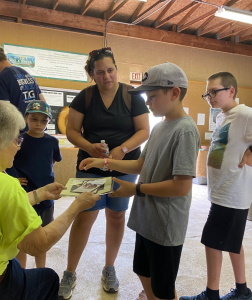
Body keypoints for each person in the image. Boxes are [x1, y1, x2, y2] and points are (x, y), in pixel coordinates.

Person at [0, 99, 100, 300]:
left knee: (14, 262)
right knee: (48, 278)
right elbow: (39, 244)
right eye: (15, 141)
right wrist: (76, 205)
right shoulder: (5, 186)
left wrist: (38, 194)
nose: (18, 147)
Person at [79, 62, 200, 300]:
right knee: (143, 271)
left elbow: (182, 186)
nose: (147, 103)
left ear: (174, 93)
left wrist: (135, 189)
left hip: (165, 226)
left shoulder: (185, 130)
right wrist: (103, 163)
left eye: (152, 96)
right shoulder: (160, 127)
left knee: (164, 287)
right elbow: (140, 165)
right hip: (147, 219)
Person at [58, 47, 150, 299]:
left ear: (116, 69)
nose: (107, 76)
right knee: (84, 216)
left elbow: (144, 131)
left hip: (124, 166)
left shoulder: (133, 96)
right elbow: (72, 131)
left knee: (116, 216)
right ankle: (70, 272)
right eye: (100, 72)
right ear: (92, 74)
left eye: (111, 70)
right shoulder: (85, 97)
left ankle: (109, 268)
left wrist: (123, 148)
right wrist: (90, 148)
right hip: (91, 165)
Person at [180, 72, 252, 300]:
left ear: (231, 91)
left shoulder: (244, 113)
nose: (209, 96)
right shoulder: (223, 115)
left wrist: (251, 152)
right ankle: (243, 291)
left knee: (211, 242)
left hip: (232, 193)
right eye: (207, 93)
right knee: (233, 243)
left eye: (214, 92)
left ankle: (211, 295)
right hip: (222, 192)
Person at [13, 100, 62, 269]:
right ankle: (22, 274)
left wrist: (43, 175)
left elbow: (53, 160)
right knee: (23, 237)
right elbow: (9, 161)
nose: (39, 124)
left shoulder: (52, 142)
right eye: (34, 119)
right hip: (25, 195)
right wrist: (14, 178)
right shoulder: (19, 140)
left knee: (42, 237)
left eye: (43, 120)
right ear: (26, 118)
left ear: (48, 122)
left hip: (47, 197)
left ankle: (41, 271)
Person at [0, 43, 46, 116]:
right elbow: (43, 103)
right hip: (35, 126)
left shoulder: (1, 78)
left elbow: (3, 111)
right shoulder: (26, 74)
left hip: (17, 127)